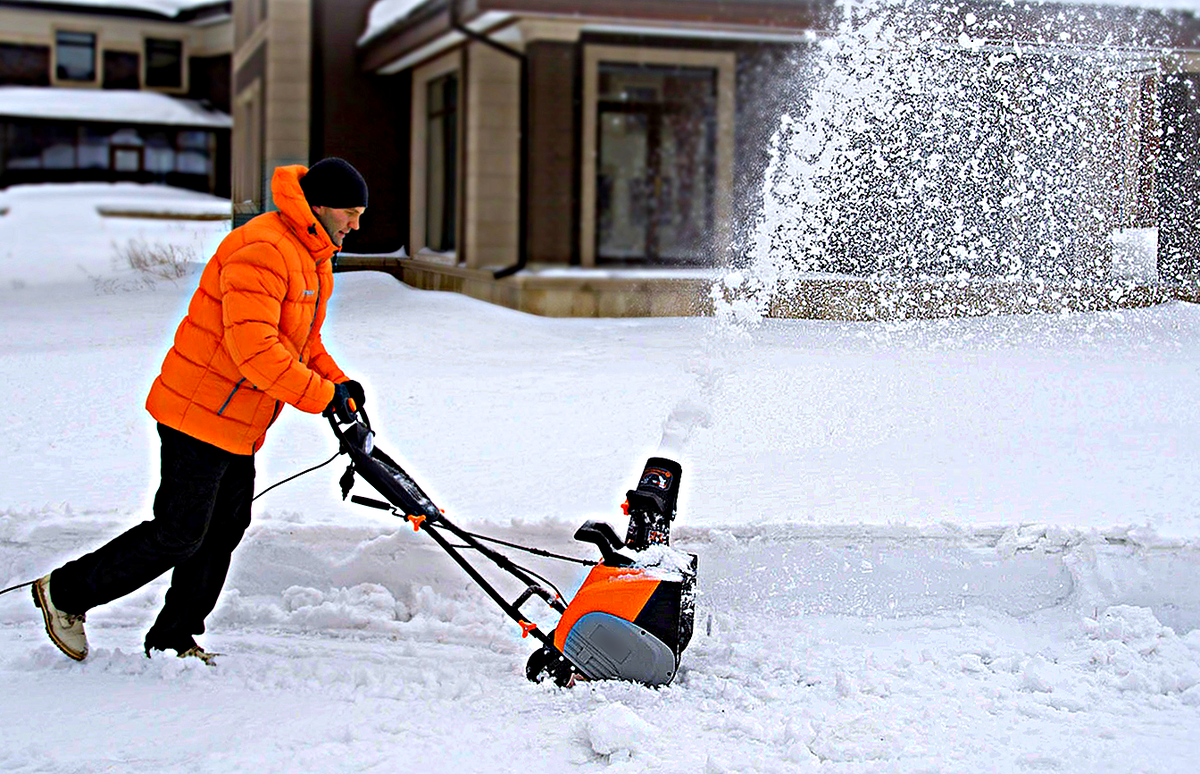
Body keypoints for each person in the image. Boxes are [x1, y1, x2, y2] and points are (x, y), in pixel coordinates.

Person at [31, 157, 370, 663]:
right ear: (318, 206)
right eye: (350, 211)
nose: (356, 223)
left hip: (239, 419)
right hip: (199, 410)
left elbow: (299, 340)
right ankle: (64, 594)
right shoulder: (263, 248)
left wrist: (337, 381)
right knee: (179, 532)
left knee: (223, 529)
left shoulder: (312, 255)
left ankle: (173, 637)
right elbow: (255, 352)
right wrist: (321, 396)